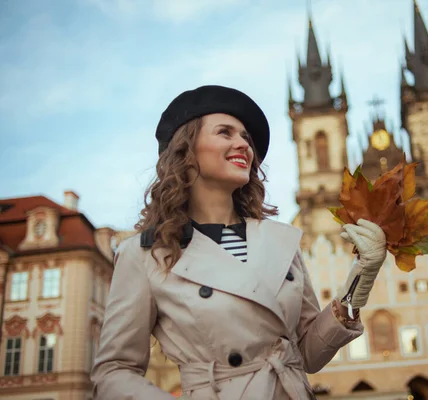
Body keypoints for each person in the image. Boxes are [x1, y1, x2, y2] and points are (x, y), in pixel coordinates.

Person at [90, 85, 388, 400]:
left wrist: (362, 276)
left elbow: (309, 354)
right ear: (186, 151)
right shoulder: (146, 253)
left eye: (245, 137)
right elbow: (114, 371)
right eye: (225, 133)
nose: (242, 144)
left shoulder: (279, 240)